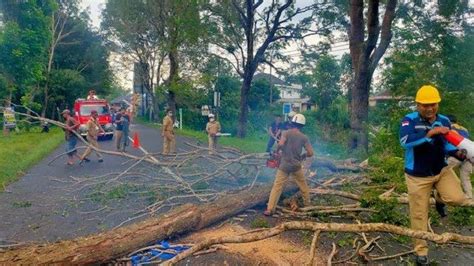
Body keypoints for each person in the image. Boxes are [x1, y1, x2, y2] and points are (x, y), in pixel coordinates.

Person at [399, 85, 472, 265]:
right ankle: (421, 252)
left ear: (437, 104)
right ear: (417, 105)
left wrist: (457, 153)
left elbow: (446, 144)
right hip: (417, 176)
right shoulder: (409, 120)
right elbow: (405, 141)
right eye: (425, 105)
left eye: (433, 104)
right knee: (419, 214)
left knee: (457, 198)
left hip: (441, 170)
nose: (429, 108)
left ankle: (439, 198)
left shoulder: (445, 120)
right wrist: (430, 132)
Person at [264, 113, 314, 216]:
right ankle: (308, 205)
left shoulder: (286, 133)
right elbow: (310, 153)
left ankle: (270, 209)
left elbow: (281, 144)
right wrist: (303, 156)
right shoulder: (304, 137)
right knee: (303, 186)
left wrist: (277, 151)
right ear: (302, 125)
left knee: (277, 186)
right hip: (296, 166)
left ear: (292, 123)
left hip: (284, 165)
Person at [446, 115, 472, 199]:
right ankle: (470, 197)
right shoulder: (465, 129)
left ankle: (443, 193)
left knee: (441, 172)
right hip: (468, 157)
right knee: (465, 178)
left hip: (455, 156)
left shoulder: (449, 128)